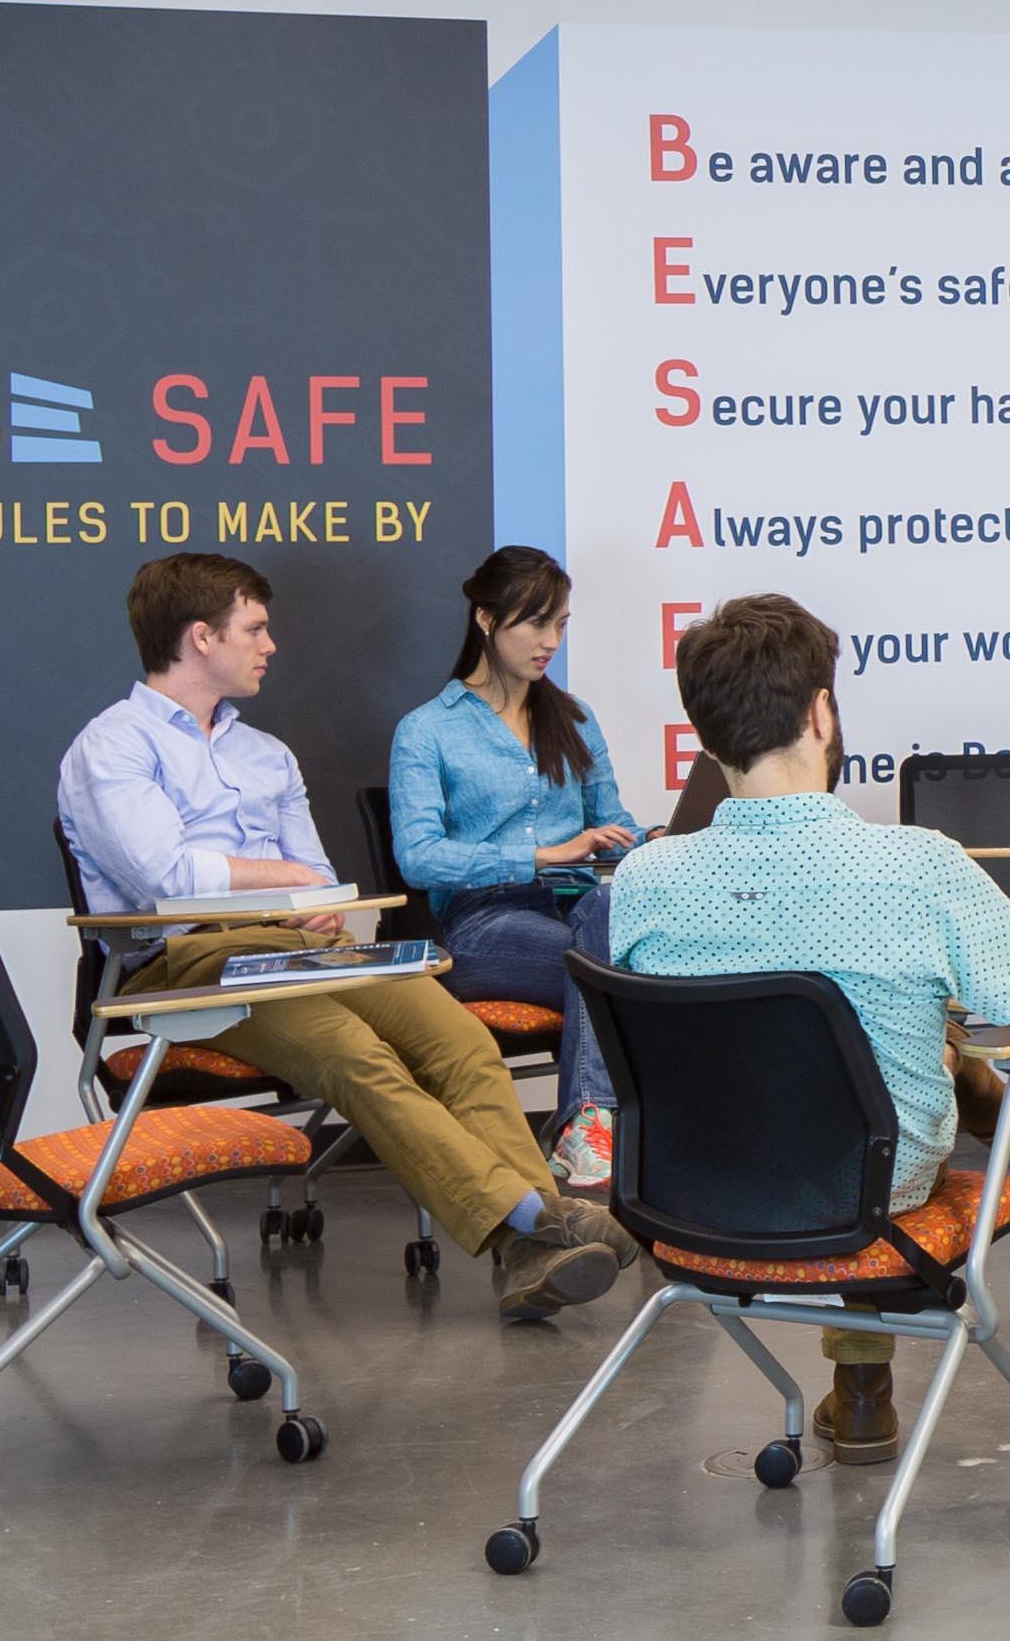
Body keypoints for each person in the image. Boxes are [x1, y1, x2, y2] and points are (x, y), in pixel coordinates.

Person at [56, 552, 634, 1322]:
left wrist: (309, 893)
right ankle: (541, 1220)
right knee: (359, 1057)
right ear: (201, 637)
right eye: (255, 629)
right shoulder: (114, 745)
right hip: (195, 958)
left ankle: (527, 1250)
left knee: (460, 1043)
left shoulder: (266, 754)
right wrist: (285, 878)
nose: (271, 645)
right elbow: (170, 877)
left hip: (308, 947)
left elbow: (321, 877)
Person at [607, 593, 1010, 1467]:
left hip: (695, 1190)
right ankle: (961, 1074)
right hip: (872, 1187)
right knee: (886, 1067)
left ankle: (860, 1383)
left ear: (706, 742)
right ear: (822, 712)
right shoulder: (916, 864)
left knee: (830, 1064)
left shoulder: (644, 880)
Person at [388, 547, 643, 1191]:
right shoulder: (426, 731)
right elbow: (418, 857)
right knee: (613, 968)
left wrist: (647, 840)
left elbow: (611, 823)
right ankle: (603, 1122)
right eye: (535, 623)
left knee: (606, 917)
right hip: (484, 922)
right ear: (485, 619)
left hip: (580, 910)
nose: (550, 641)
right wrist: (540, 855)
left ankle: (588, 1129)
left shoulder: (574, 717)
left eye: (560, 624)